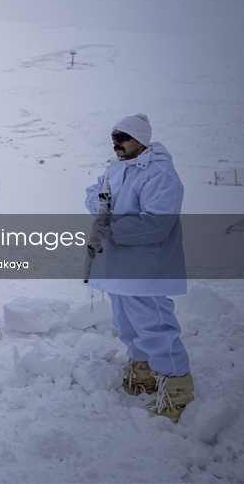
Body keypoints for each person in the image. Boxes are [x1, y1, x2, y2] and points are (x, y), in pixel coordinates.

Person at [85, 113, 193, 420]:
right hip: (118, 264)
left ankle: (177, 388)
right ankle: (143, 370)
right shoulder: (116, 168)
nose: (116, 143)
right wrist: (100, 206)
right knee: (126, 322)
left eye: (123, 137)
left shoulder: (160, 173)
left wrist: (111, 228)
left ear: (141, 140)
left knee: (154, 324)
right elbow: (92, 195)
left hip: (146, 265)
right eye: (114, 137)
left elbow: (156, 223)